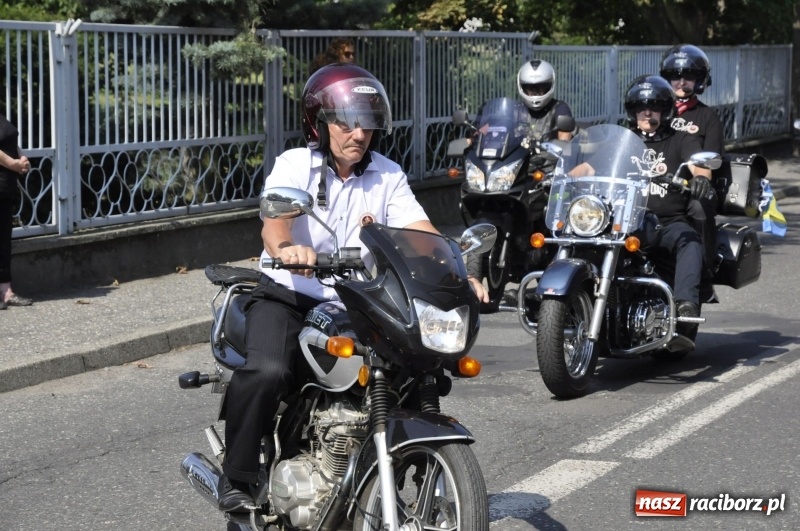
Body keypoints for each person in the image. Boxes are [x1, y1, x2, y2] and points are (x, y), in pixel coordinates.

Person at [217, 63, 487, 511]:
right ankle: (239, 478)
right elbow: (274, 222)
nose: (357, 134)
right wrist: (287, 247)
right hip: (288, 294)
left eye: (366, 124)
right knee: (267, 371)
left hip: (354, 300)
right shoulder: (295, 165)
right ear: (320, 123)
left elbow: (421, 232)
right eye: (346, 122)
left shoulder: (387, 175)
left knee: (413, 364)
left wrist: (458, 272)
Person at [623, 74, 711, 334]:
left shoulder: (681, 138)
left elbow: (699, 165)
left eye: (654, 107)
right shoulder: (624, 140)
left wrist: (701, 179)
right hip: (627, 221)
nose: (647, 113)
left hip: (667, 223)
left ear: (666, 110)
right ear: (632, 111)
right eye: (640, 107)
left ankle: (685, 304)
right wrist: (567, 175)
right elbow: (591, 165)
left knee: (690, 242)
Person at [660, 44, 724, 283]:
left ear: (700, 81)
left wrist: (699, 178)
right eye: (675, 76)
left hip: (691, 187)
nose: (681, 81)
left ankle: (703, 268)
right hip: (654, 183)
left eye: (689, 76)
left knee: (699, 205)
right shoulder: (653, 112)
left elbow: (710, 159)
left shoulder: (708, 116)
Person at [0, 113, 33, 310]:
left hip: (6, 187)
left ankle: (5, 291)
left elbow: (10, 142)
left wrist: (22, 159)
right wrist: (13, 164)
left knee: (4, 241)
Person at [516, 59, 574, 142]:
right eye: (530, 87)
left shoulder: (559, 108)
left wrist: (562, 143)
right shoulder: (516, 111)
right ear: (522, 87)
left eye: (541, 86)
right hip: (518, 154)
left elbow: (564, 142)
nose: (535, 91)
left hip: (548, 154)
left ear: (549, 85)